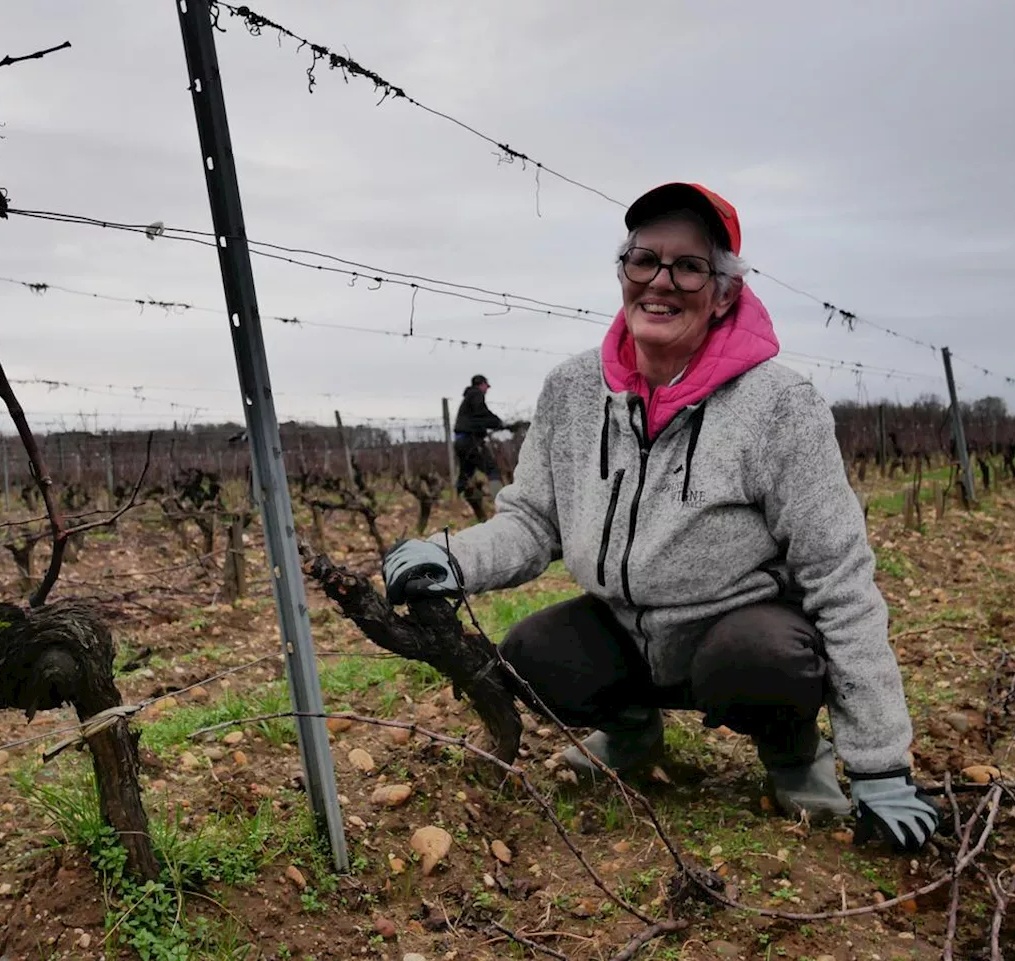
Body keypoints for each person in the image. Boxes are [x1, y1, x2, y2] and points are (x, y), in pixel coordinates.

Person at [384, 183, 940, 853]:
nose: (661, 282)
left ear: (726, 291)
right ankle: (631, 729)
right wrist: (451, 557)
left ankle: (793, 749)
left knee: (763, 660)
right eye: (644, 259)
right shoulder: (572, 389)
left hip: (735, 631)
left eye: (689, 266)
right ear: (623, 272)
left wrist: (881, 764)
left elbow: (839, 579)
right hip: (622, 626)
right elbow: (532, 520)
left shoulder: (778, 405)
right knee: (532, 656)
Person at [452, 374, 505, 500]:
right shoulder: (476, 394)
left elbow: (478, 417)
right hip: (472, 441)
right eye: (487, 386)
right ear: (482, 384)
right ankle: (499, 501)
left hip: (460, 442)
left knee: (466, 472)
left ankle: (456, 502)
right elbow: (481, 413)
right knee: (492, 470)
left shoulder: (467, 399)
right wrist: (498, 422)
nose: (487, 389)